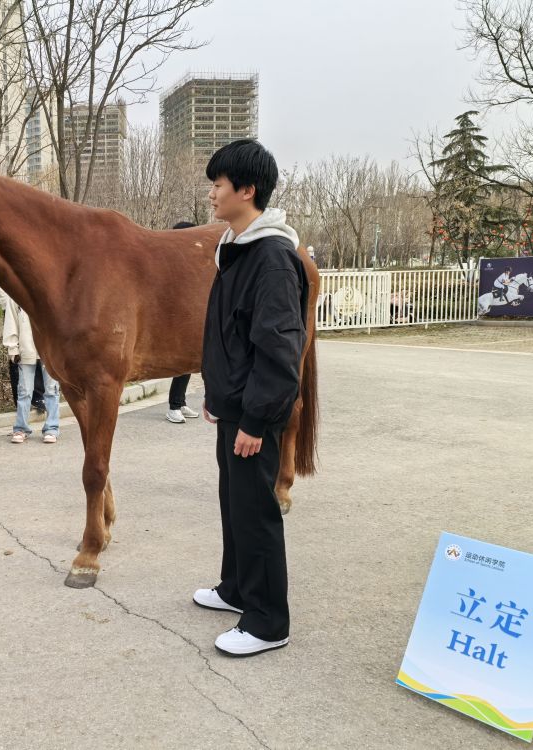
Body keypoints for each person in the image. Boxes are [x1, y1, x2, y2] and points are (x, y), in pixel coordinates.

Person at [194, 139, 309, 658]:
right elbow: (229, 336)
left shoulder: (272, 258)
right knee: (234, 501)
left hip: (255, 414)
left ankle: (267, 621)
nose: (212, 193)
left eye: (218, 184)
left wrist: (256, 421)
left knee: (257, 509)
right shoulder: (236, 249)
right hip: (235, 406)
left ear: (247, 189)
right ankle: (236, 588)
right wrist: (217, 395)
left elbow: (279, 351)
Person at [1, 292, 60, 444]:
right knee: (24, 391)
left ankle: (52, 428)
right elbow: (11, 321)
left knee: (52, 390)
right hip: (26, 349)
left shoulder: (52, 291)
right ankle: (21, 428)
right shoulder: (16, 295)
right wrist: (12, 348)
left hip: (50, 350)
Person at [166, 221, 202, 424]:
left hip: (186, 317)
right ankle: (173, 406)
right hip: (174, 320)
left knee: (188, 362)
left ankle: (180, 401)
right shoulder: (171, 262)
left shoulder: (185, 261)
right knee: (181, 363)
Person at [0, 282, 45, 411]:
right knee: (15, 353)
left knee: (35, 351)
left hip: (31, 307)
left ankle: (37, 396)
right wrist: (8, 306)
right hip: (14, 308)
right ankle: (20, 398)